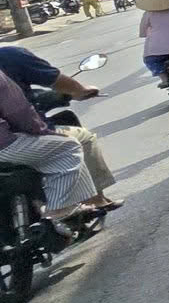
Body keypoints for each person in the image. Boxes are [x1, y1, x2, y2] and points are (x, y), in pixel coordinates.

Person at [0, 45, 120, 208]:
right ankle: (92, 200)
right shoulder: (10, 55)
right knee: (79, 140)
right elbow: (20, 113)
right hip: (11, 140)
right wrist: (81, 91)